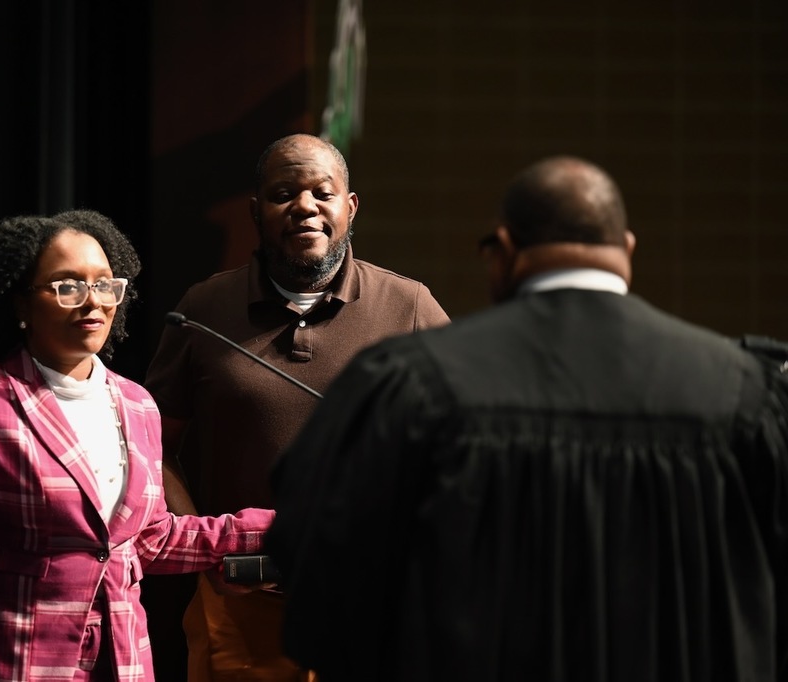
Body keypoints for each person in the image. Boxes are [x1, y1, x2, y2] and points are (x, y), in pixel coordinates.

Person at [264, 155, 788, 681]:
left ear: (503, 253)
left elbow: (318, 553)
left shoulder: (411, 383)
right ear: (627, 249)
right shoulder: (742, 392)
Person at [0, 209, 275, 682]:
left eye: (106, 285)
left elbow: (145, 540)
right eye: (67, 286)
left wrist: (269, 529)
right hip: (9, 662)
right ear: (21, 305)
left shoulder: (138, 405)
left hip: (121, 660)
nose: (93, 302)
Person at [144, 133, 450, 680]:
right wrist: (205, 551)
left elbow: (461, 448)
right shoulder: (203, 308)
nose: (304, 206)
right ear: (257, 210)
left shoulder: (409, 307)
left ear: (349, 207)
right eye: (284, 193)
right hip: (238, 603)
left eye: (321, 193)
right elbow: (153, 450)